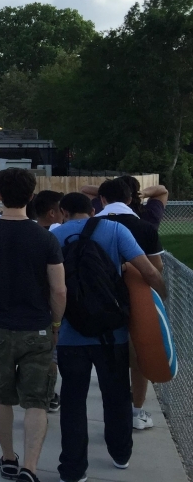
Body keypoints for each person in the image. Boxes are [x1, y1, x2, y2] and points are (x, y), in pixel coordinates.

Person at [50, 192, 167, 482]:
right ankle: (120, 453)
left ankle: (72, 471)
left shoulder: (54, 236)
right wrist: (162, 307)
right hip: (110, 333)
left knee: (73, 401)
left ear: (62, 211)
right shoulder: (115, 230)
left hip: (70, 333)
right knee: (115, 395)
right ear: (93, 209)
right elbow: (149, 271)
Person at [0, 168, 67, 482]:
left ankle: (8, 458)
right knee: (37, 401)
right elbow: (59, 289)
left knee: (1, 396)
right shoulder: (46, 239)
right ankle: (29, 467)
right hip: (37, 328)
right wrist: (55, 324)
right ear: (31, 197)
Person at [95, 179, 165, 431]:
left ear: (101, 200)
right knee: (138, 358)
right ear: (129, 200)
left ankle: (112, 410)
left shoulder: (91, 227)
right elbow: (156, 268)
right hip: (137, 300)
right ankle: (136, 411)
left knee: (108, 360)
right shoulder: (145, 227)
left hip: (98, 301)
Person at [30, 190, 65, 412]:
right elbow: (59, 287)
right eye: (61, 210)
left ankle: (35, 392)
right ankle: (49, 394)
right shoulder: (55, 237)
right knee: (50, 355)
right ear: (52, 213)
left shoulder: (26, 233)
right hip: (49, 308)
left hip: (26, 307)